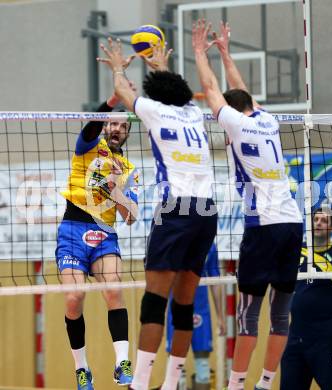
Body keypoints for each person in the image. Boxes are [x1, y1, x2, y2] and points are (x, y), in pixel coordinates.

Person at [97, 38, 218, 390]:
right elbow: (175, 91)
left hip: (175, 210)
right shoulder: (195, 114)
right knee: (184, 304)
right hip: (207, 211)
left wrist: (118, 65)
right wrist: (161, 65)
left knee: (154, 303)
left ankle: (140, 383)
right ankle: (169, 385)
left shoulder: (152, 111)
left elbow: (121, 88)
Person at [192, 20, 303, 390]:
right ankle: (265, 382)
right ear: (252, 107)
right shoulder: (267, 120)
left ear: (231, 113)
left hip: (263, 227)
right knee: (282, 314)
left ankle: (237, 384)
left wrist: (199, 53)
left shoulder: (236, 125)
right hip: (292, 222)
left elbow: (212, 90)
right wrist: (225, 53)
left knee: (249, 315)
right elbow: (240, 91)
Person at [56, 55, 139, 389]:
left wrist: (117, 191)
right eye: (113, 123)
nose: (116, 129)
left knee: (114, 289)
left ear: (128, 133)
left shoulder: (128, 168)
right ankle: (82, 369)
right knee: (74, 298)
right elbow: (91, 124)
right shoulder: (88, 146)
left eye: (123, 125)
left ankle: (122, 365)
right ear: (106, 127)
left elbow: (131, 217)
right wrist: (115, 99)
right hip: (73, 229)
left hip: (105, 234)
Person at [280, 207, 332, 390]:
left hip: (325, 338)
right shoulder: (298, 251)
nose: (318, 223)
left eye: (324, 221)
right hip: (295, 336)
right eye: (316, 220)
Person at [166, 243, 226, 390]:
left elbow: (215, 281)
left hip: (201, 311)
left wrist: (221, 317)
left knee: (203, 366)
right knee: (176, 367)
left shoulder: (209, 245)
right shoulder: (171, 240)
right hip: (175, 311)